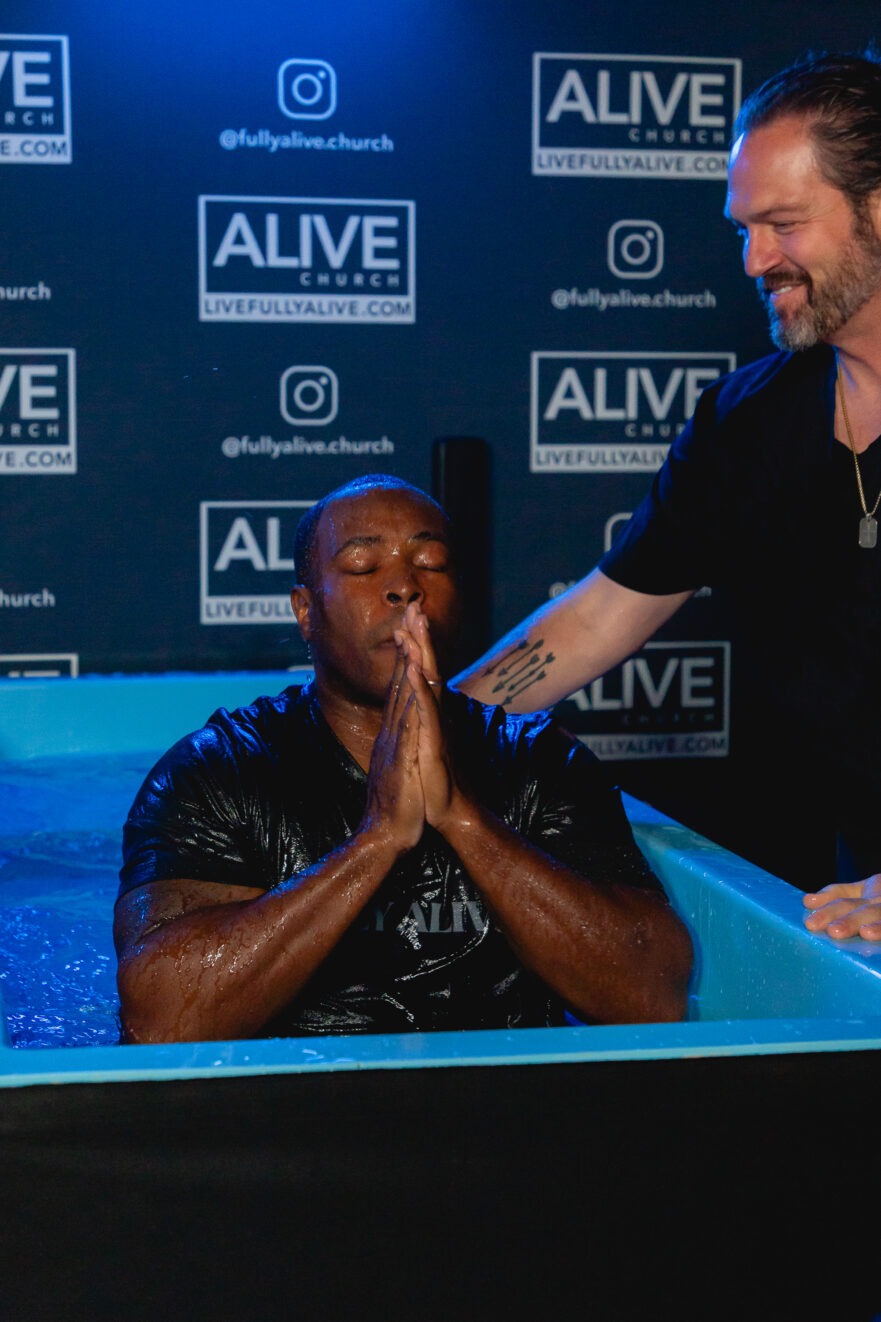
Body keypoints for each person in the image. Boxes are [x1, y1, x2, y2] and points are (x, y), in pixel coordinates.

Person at [453, 50, 881, 932]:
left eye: (783, 224)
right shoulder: (744, 421)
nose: (754, 259)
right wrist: (410, 736)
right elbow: (598, 616)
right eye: (742, 228)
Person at [113, 475, 691, 1042]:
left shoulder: (541, 761)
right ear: (305, 610)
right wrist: (377, 840)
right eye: (364, 567)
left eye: (430, 564)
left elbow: (653, 996)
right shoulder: (217, 771)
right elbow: (161, 1019)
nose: (404, 587)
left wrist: (462, 818)